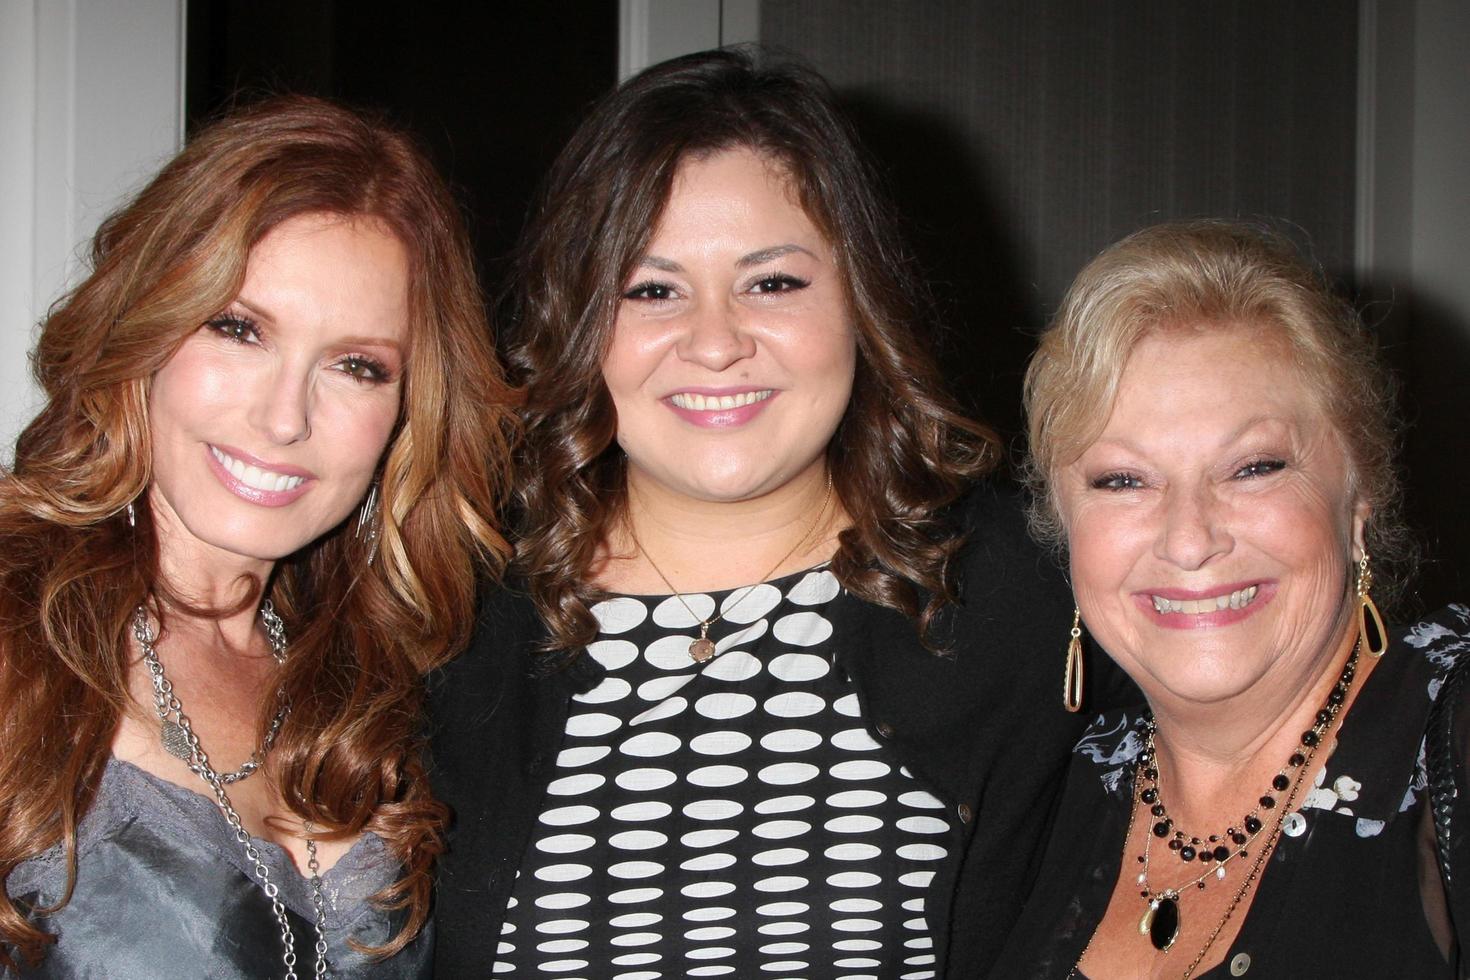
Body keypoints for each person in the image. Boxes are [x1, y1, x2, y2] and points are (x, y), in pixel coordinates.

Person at [429, 48, 1127, 979]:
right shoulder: (451, 626)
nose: (715, 342)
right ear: (577, 321)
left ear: (861, 302)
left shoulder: (1024, 590)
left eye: (773, 282)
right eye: (651, 290)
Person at [0, 96, 514, 976]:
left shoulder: (389, 685)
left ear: (408, 412)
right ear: (145, 330)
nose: (284, 418)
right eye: (239, 329)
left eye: (356, 366)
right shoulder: (19, 635)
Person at [993, 220, 1470, 977]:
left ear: (1358, 502)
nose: (1189, 540)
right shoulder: (1052, 792)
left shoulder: (1449, 738)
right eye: (1123, 480)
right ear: (1065, 530)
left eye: (1253, 467)